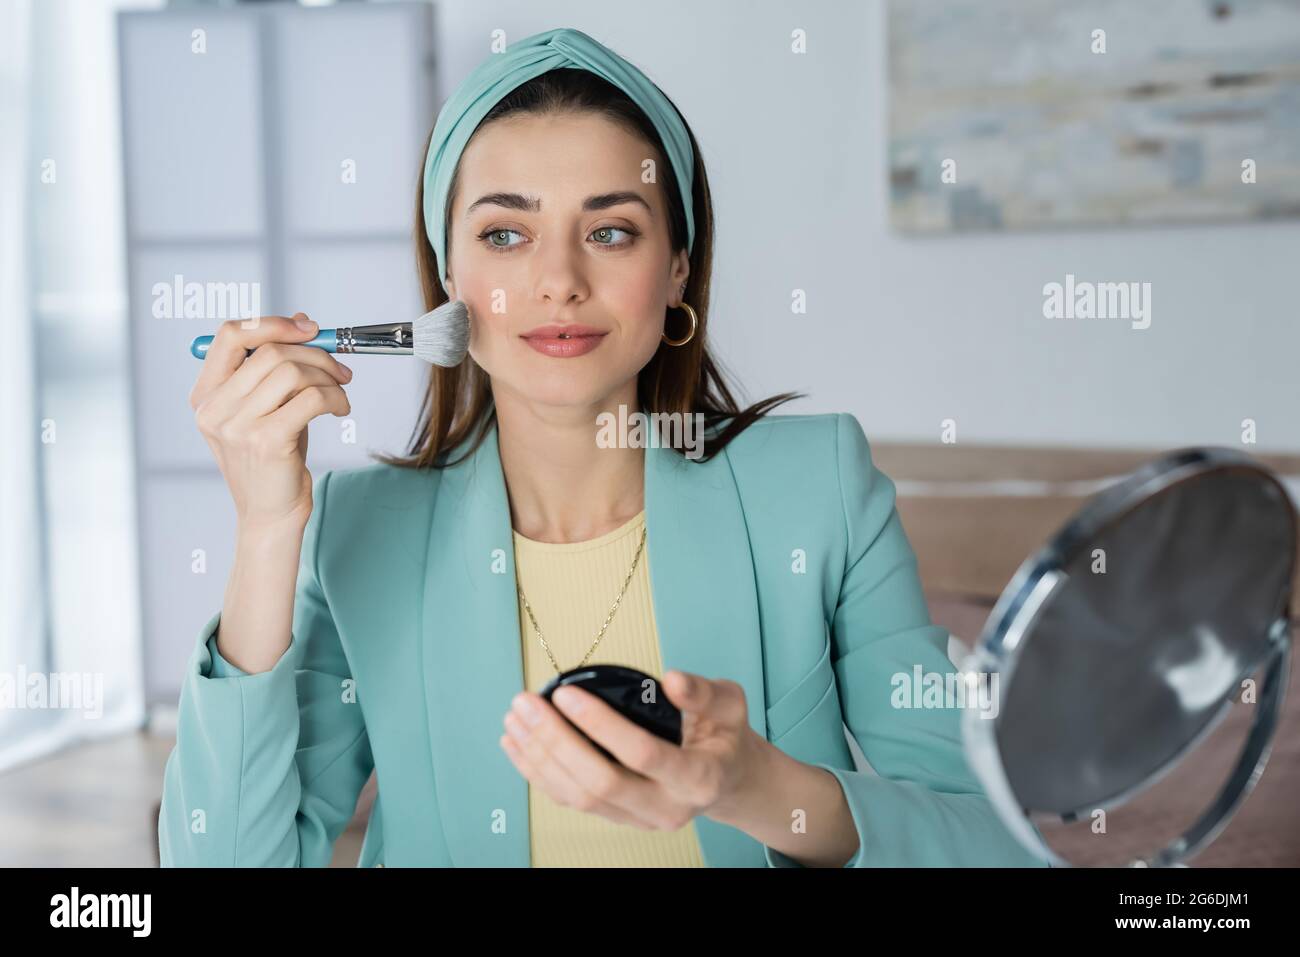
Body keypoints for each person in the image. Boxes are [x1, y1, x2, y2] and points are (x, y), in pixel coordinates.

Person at [159, 26, 1047, 868]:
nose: (558, 281)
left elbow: (992, 843)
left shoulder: (818, 488)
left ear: (676, 272)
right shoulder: (358, 533)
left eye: (611, 230)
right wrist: (267, 528)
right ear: (449, 281)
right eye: (505, 234)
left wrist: (757, 786)